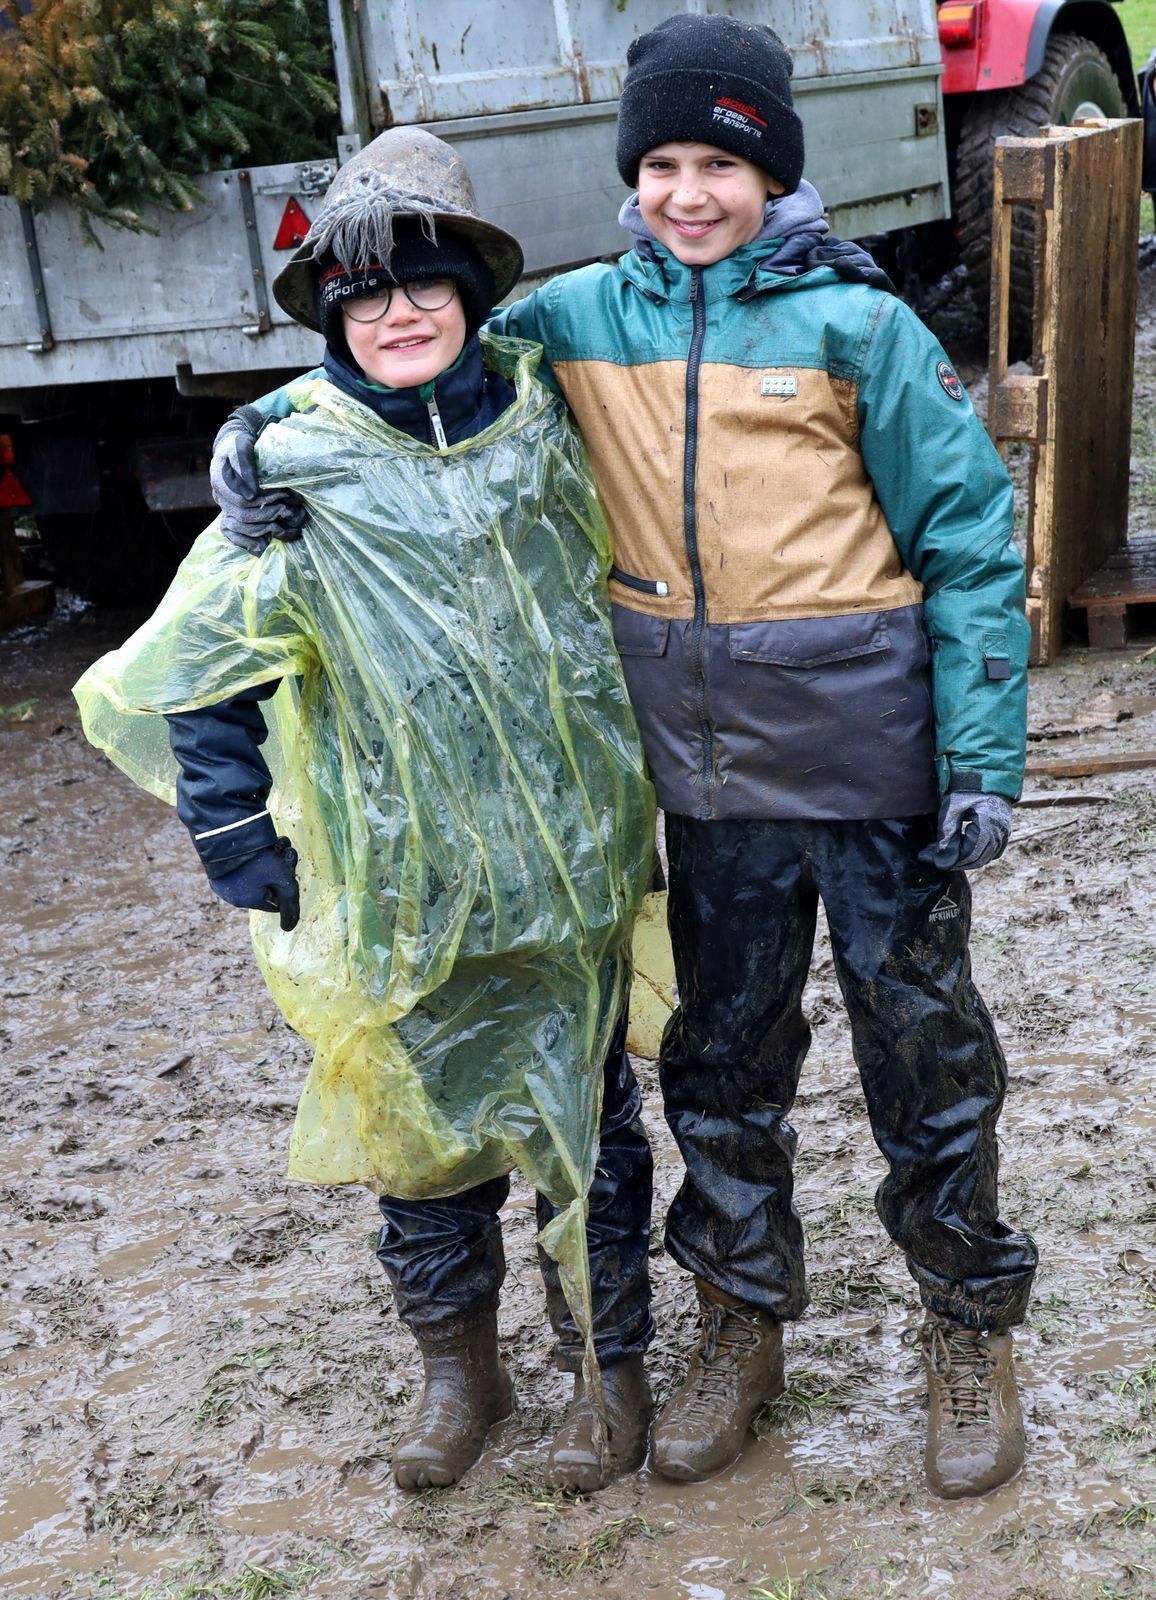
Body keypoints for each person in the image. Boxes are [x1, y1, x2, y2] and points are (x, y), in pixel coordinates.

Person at [210, 14, 1039, 1501]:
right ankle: (738, 1323)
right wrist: (260, 423)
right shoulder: (581, 320)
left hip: (878, 776)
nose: (687, 193)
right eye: (660, 164)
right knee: (721, 1068)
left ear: (773, 172)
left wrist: (980, 756)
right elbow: (411, 359)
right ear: (630, 176)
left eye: (720, 164)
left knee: (926, 1060)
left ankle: (968, 1328)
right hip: (709, 789)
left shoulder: (861, 332)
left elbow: (972, 542)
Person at [76, 127, 658, 1498]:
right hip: (396, 871)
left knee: (588, 1123)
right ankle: (459, 1368)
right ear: (330, 318)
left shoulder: (546, 417)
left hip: (568, 852)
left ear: (473, 294)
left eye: (425, 284)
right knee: (416, 1126)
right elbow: (207, 660)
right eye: (362, 295)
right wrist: (233, 827)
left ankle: (606, 1364)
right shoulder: (297, 466)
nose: (398, 313)